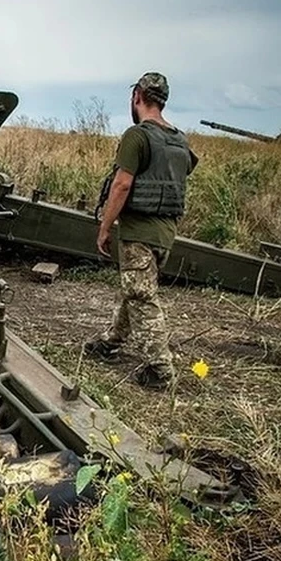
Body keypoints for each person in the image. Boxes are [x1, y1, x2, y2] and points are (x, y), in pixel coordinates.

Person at [84, 72, 199, 389]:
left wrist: (104, 228)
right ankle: (109, 341)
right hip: (165, 233)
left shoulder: (138, 136)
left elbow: (122, 185)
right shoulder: (179, 140)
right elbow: (182, 172)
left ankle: (160, 370)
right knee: (135, 289)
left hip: (139, 232)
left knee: (141, 296)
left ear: (137, 96)